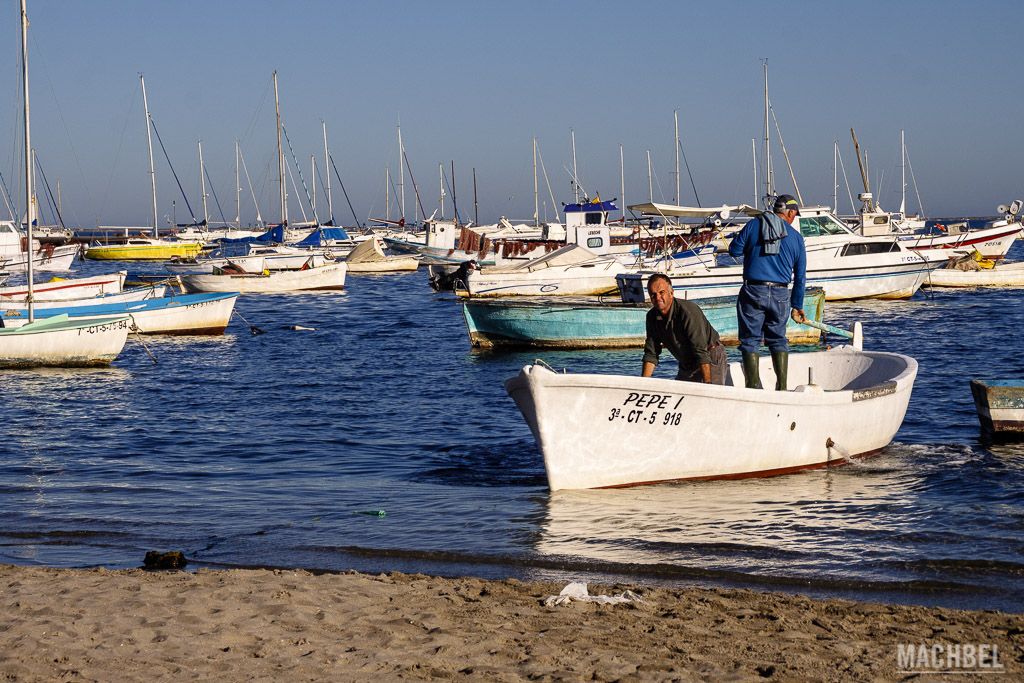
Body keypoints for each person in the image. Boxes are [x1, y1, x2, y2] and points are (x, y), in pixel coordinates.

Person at [727, 194, 808, 391]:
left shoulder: (754, 225)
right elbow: (800, 277)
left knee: (750, 341)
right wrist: (797, 306)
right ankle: (781, 387)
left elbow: (734, 251)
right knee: (778, 339)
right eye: (794, 215)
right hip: (780, 294)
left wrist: (753, 248)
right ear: (789, 212)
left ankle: (753, 386)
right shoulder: (796, 238)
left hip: (754, 290)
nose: (793, 219)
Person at [641, 273, 727, 384]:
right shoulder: (651, 317)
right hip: (686, 362)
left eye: (662, 292)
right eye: (653, 295)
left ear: (671, 293)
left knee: (711, 394)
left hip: (709, 355)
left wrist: (708, 383)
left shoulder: (688, 311)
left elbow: (701, 351)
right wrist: (643, 384)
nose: (658, 298)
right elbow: (651, 354)